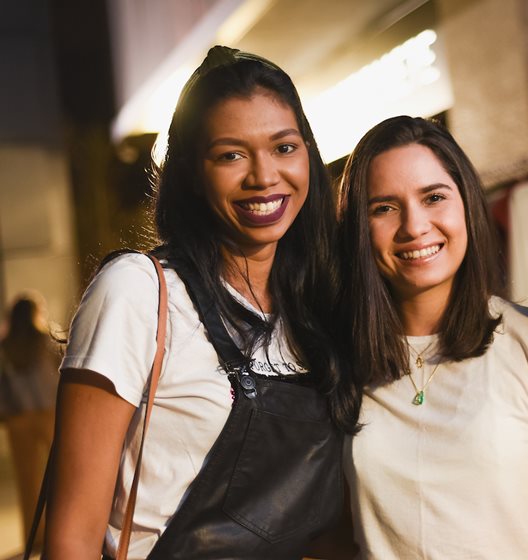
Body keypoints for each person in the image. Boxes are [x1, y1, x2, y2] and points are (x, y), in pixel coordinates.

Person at [45, 46, 359, 559]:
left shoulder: (319, 307)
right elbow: (71, 541)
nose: (264, 176)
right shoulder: (140, 292)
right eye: (231, 154)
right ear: (191, 170)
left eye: (283, 147)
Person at [336, 115, 528, 559]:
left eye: (434, 197)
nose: (414, 226)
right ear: (358, 229)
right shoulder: (340, 358)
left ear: (467, 204)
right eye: (384, 207)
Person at [0, 292, 60, 550]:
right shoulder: (47, 339)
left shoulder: (5, 346)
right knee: (58, 475)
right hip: (50, 413)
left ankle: (33, 536)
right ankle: (58, 532)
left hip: (18, 418)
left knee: (27, 481)